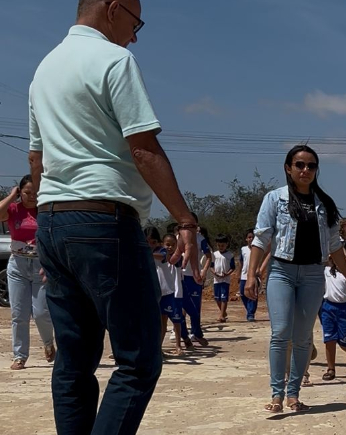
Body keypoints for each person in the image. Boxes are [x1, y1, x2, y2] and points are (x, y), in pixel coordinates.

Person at [28, 1, 202, 432]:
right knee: (140, 359)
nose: (136, 34)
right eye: (135, 21)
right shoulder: (115, 60)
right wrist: (185, 220)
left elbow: (37, 159)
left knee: (74, 361)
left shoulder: (43, 70)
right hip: (103, 220)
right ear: (111, 9)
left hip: (53, 217)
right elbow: (142, 149)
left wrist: (48, 223)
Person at [243, 143, 346, 413]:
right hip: (281, 271)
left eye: (311, 165)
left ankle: (294, 394)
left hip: (312, 273)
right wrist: (251, 275)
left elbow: (334, 247)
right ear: (288, 168)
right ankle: (276, 394)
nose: (305, 170)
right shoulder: (274, 199)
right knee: (281, 332)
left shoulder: (325, 204)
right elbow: (261, 239)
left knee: (303, 335)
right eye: (299, 165)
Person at [0, 175, 55, 370]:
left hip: (40, 265)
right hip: (18, 266)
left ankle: (49, 343)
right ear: (20, 192)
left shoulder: (45, 211)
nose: (31, 196)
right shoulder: (14, 209)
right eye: (26, 192)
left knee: (41, 312)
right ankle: (20, 356)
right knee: (19, 314)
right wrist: (11, 195)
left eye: (35, 193)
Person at [320, 252, 346, 381]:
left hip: (345, 308)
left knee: (344, 341)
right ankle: (331, 368)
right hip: (328, 307)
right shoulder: (327, 270)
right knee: (329, 338)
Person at [145, 228, 184, 357]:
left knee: (165, 322)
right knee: (154, 323)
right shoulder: (142, 253)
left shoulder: (161, 252)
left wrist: (144, 252)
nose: (150, 245)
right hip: (150, 293)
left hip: (166, 292)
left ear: (159, 242)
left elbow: (163, 257)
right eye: (147, 242)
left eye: (153, 242)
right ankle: (155, 349)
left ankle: (164, 348)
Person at [181, 213, 212, 347]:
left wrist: (204, 271)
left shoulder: (201, 239)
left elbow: (209, 256)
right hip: (181, 276)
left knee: (195, 307)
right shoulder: (178, 238)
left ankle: (196, 333)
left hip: (195, 276)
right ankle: (182, 333)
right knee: (179, 305)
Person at [210, 234, 235, 323]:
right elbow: (211, 266)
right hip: (216, 280)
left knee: (224, 297)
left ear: (227, 244)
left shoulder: (230, 255)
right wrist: (214, 273)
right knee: (217, 298)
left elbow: (233, 267)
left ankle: (221, 315)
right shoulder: (214, 254)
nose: (221, 247)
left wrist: (227, 274)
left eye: (223, 245)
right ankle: (223, 312)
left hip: (225, 280)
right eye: (219, 245)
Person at [238, 230, 257, 322]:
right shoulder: (243, 249)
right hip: (244, 275)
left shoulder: (258, 249)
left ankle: (250, 313)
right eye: (249, 237)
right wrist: (238, 274)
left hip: (254, 275)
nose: (251, 239)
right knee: (243, 293)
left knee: (252, 294)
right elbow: (241, 262)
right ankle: (249, 309)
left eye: (252, 237)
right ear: (246, 239)